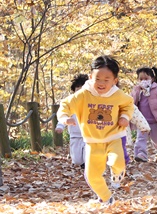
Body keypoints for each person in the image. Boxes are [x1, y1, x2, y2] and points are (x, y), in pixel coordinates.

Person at [57, 56, 134, 205]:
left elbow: (128, 105)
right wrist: (64, 118)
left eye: (106, 80)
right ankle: (106, 198)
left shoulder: (117, 95)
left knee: (117, 161)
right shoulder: (84, 94)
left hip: (113, 137)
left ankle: (117, 172)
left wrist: (124, 117)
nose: (101, 83)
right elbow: (66, 104)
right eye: (98, 79)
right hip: (92, 141)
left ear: (114, 81)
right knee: (92, 175)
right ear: (91, 77)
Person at [130, 67, 157, 162]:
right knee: (140, 138)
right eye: (141, 79)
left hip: (156, 121)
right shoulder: (137, 90)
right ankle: (141, 154)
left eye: (146, 79)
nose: (143, 81)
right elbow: (131, 100)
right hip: (141, 121)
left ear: (152, 79)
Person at [55, 74, 89, 168]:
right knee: (77, 160)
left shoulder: (91, 103)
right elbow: (63, 115)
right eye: (78, 88)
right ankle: (82, 164)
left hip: (89, 136)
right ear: (74, 90)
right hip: (75, 136)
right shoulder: (70, 103)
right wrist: (60, 126)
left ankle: (87, 167)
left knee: (88, 156)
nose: (80, 90)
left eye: (82, 88)